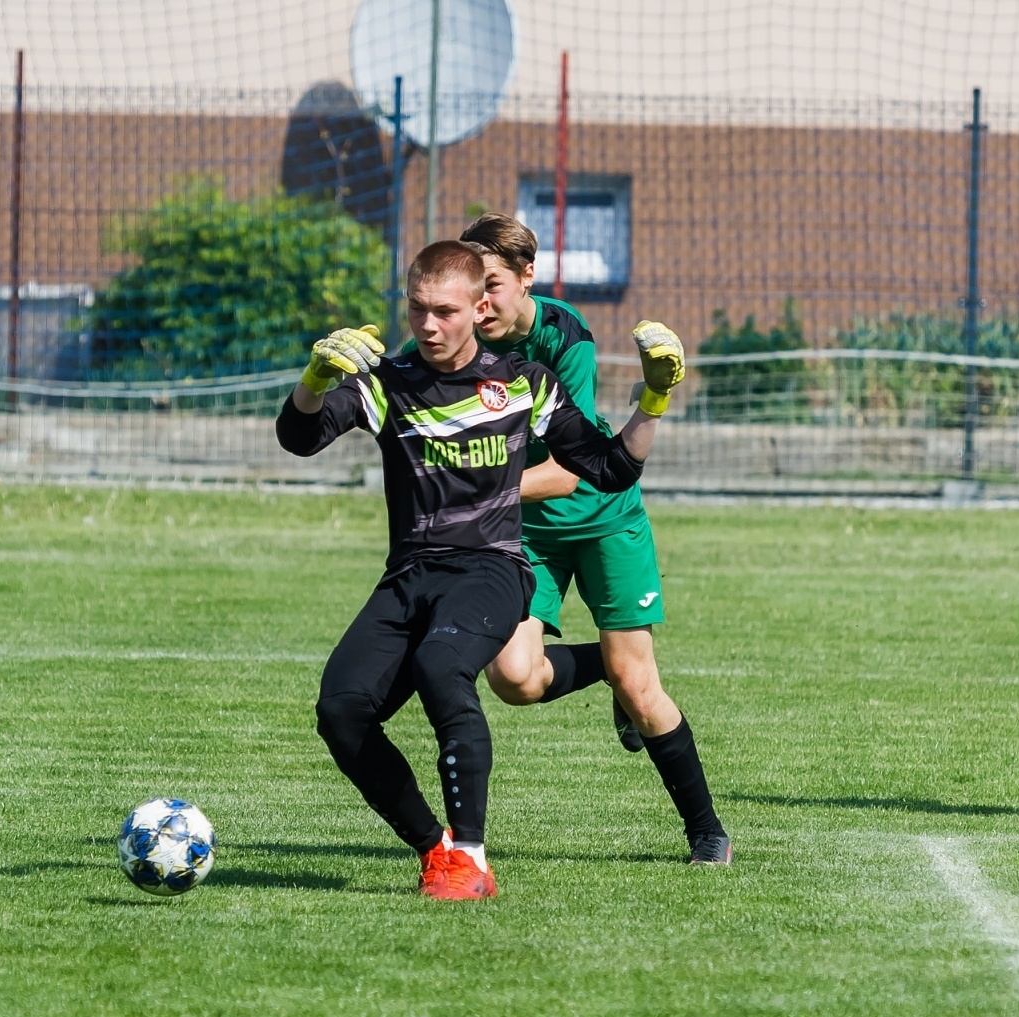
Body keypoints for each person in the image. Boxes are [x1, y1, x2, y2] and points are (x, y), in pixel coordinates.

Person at [276, 240, 688, 899]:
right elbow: (298, 437)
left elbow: (611, 467)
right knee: (341, 709)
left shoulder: (523, 381)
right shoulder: (388, 384)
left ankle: (470, 857)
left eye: (445, 310)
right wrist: (315, 380)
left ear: (479, 306)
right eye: (417, 310)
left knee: (443, 667)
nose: (430, 325)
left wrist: (654, 399)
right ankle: (435, 849)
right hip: (409, 576)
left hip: (491, 571)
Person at [454, 212, 731, 866]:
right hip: (529, 532)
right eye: (468, 285)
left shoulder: (563, 331)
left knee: (641, 687)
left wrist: (477, 491)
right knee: (514, 679)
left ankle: (707, 831)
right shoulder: (456, 337)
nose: (477, 300)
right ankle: (607, 669)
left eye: (490, 283)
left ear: (526, 278)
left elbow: (570, 467)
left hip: (603, 511)